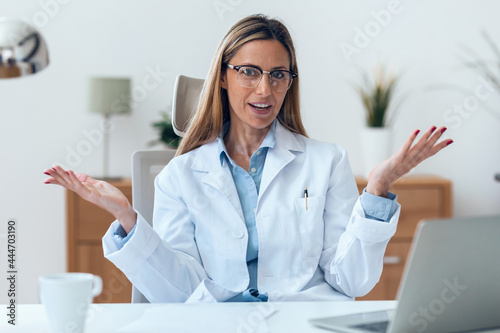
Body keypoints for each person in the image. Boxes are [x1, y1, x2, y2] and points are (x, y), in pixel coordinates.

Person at [44, 14, 453, 303]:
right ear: (222, 76)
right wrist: (128, 220)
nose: (265, 89)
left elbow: (352, 281)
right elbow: (179, 291)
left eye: (278, 74)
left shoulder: (327, 162)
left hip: (303, 322)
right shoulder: (180, 175)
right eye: (249, 72)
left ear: (290, 82)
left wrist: (377, 192)